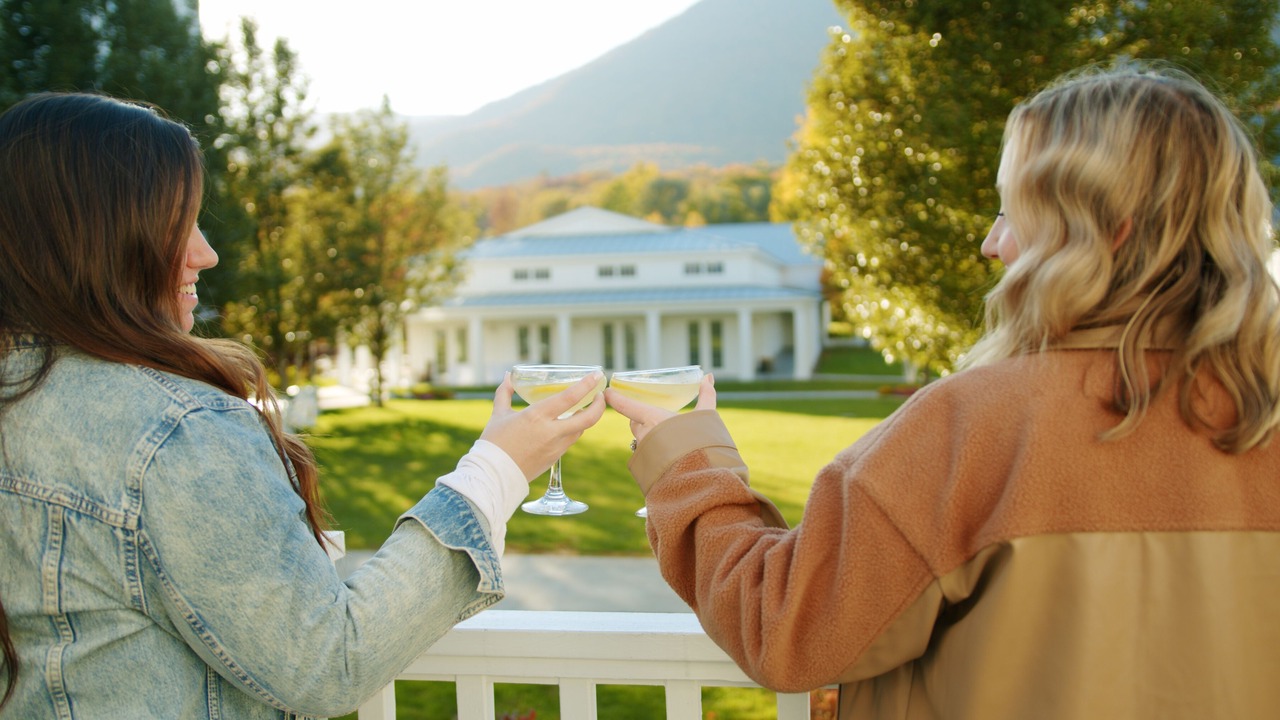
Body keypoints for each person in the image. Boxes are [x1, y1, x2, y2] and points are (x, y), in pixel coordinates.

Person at [606, 63, 1280, 719]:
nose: (992, 244)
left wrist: (685, 463)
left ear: (1107, 231)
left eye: (1013, 210)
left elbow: (785, 628)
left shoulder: (975, 425)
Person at [0, 92, 605, 718]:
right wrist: (496, 471)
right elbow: (328, 660)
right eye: (176, 223)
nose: (205, 253)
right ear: (94, 240)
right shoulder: (175, 434)